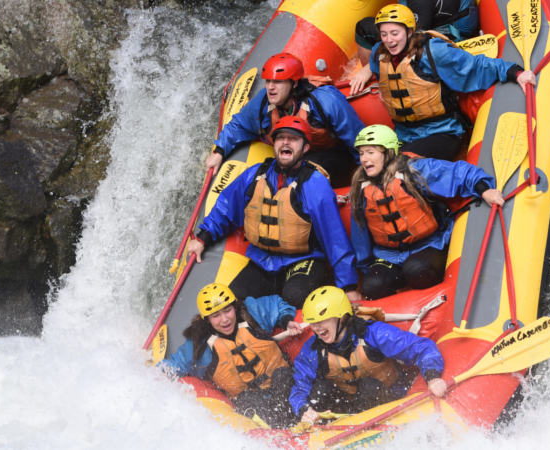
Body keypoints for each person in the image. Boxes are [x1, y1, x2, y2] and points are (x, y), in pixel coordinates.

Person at [186, 116, 362, 307]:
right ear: (274, 144)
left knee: (295, 295)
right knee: (233, 303)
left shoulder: (314, 184)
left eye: (293, 138)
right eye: (281, 138)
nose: (286, 142)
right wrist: (203, 237)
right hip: (263, 261)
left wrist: (349, 286)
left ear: (305, 148)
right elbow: (226, 208)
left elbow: (335, 239)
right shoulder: (254, 175)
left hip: (304, 260)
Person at [349, 3, 536, 161]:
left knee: (399, 169)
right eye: (384, 34)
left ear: (410, 31)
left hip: (442, 131)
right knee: (374, 168)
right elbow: (379, 69)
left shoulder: (433, 52)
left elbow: (475, 66)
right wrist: (366, 72)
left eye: (395, 33)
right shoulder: (379, 53)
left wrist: (514, 72)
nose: (389, 40)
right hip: (404, 134)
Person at [349, 124, 504, 299]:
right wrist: (366, 267)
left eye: (370, 152)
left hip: (429, 243)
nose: (364, 159)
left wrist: (484, 189)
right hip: (389, 255)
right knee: (372, 286)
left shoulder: (414, 170)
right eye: (361, 153)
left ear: (388, 152)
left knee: (417, 271)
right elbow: (360, 234)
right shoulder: (361, 187)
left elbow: (459, 173)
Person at [289, 285, 447, 423]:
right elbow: (300, 387)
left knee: (368, 388)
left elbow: (422, 348)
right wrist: (303, 410)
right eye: (313, 322)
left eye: (322, 321)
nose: (317, 328)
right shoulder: (312, 349)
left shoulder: (374, 333)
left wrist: (432, 376)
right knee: (319, 391)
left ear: (342, 317)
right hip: (346, 408)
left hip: (386, 399)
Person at [206, 52, 365, 184]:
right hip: (297, 157)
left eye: (278, 82)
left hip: (335, 156)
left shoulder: (326, 100)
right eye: (268, 81)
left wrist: (366, 177)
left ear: (294, 83)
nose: (270, 87)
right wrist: (219, 151)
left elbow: (358, 140)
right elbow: (239, 125)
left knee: (299, 174)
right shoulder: (264, 102)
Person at [159, 283, 303, 427]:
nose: (224, 319)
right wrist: (153, 373)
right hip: (249, 400)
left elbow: (277, 304)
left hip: (282, 382)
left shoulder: (252, 312)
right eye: (216, 316)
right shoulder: (200, 344)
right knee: (248, 401)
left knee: (283, 376)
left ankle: (304, 418)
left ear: (235, 307)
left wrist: (287, 321)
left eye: (227, 310)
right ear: (207, 319)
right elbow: (175, 365)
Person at [355, 0, 479, 57]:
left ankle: (373, 79)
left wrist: (370, 68)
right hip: (456, 21)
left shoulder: (419, 3)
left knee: (363, 28)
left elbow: (414, 43)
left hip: (451, 37)